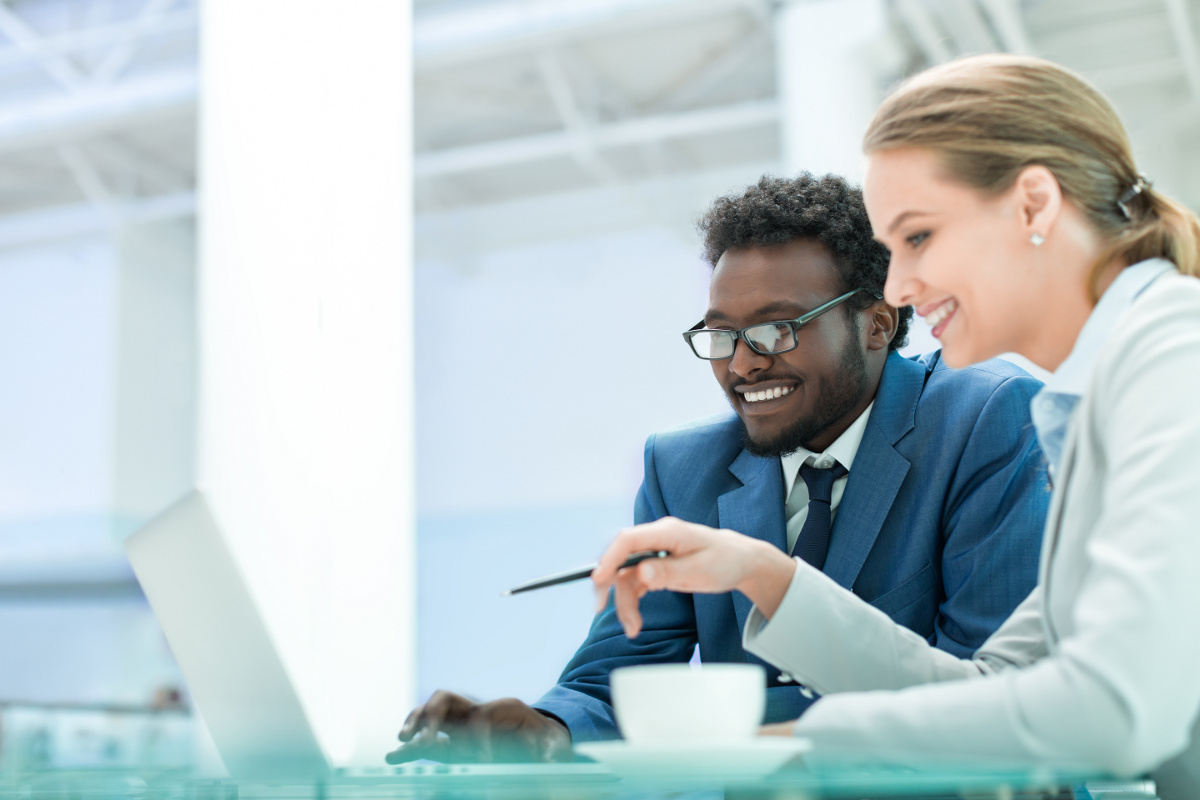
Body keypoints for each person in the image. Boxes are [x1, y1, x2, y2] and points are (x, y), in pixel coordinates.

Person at [592, 54, 1200, 799]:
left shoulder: (1175, 358)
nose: (899, 287)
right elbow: (989, 687)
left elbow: (1115, 713)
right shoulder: (1105, 389)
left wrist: (793, 744)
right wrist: (762, 572)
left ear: (1034, 205)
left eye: (916, 239)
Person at [388, 173, 1049, 764]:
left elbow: (988, 694)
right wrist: (542, 729)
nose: (741, 363)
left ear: (876, 325)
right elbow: (615, 679)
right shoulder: (683, 469)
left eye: (775, 329)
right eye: (721, 334)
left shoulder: (985, 418)